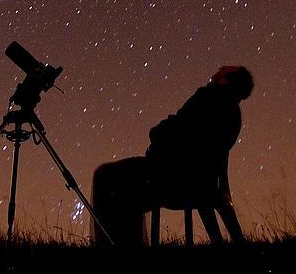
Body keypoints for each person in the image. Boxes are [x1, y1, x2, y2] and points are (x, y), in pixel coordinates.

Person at [92, 66, 253, 247]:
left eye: (224, 70)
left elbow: (170, 129)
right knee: (122, 180)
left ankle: (114, 244)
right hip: (197, 180)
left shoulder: (207, 97)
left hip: (173, 177)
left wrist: (158, 132)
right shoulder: (234, 113)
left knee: (106, 175)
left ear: (226, 80)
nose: (219, 69)